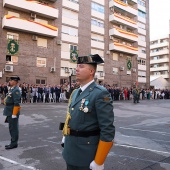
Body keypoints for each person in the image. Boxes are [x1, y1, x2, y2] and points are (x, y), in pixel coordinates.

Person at [61, 54, 115, 170]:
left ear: (91, 71)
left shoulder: (100, 93)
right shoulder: (75, 92)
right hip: (70, 150)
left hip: (86, 154)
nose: (76, 69)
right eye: (77, 66)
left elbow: (107, 129)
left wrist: (99, 161)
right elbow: (70, 116)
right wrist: (66, 135)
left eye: (81, 66)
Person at [3, 76, 21, 149]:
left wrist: (14, 114)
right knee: (11, 128)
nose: (9, 82)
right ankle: (13, 142)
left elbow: (17, 103)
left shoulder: (16, 90)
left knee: (13, 128)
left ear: (15, 82)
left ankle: (14, 143)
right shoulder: (12, 89)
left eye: (11, 80)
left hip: (12, 111)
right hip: (9, 111)